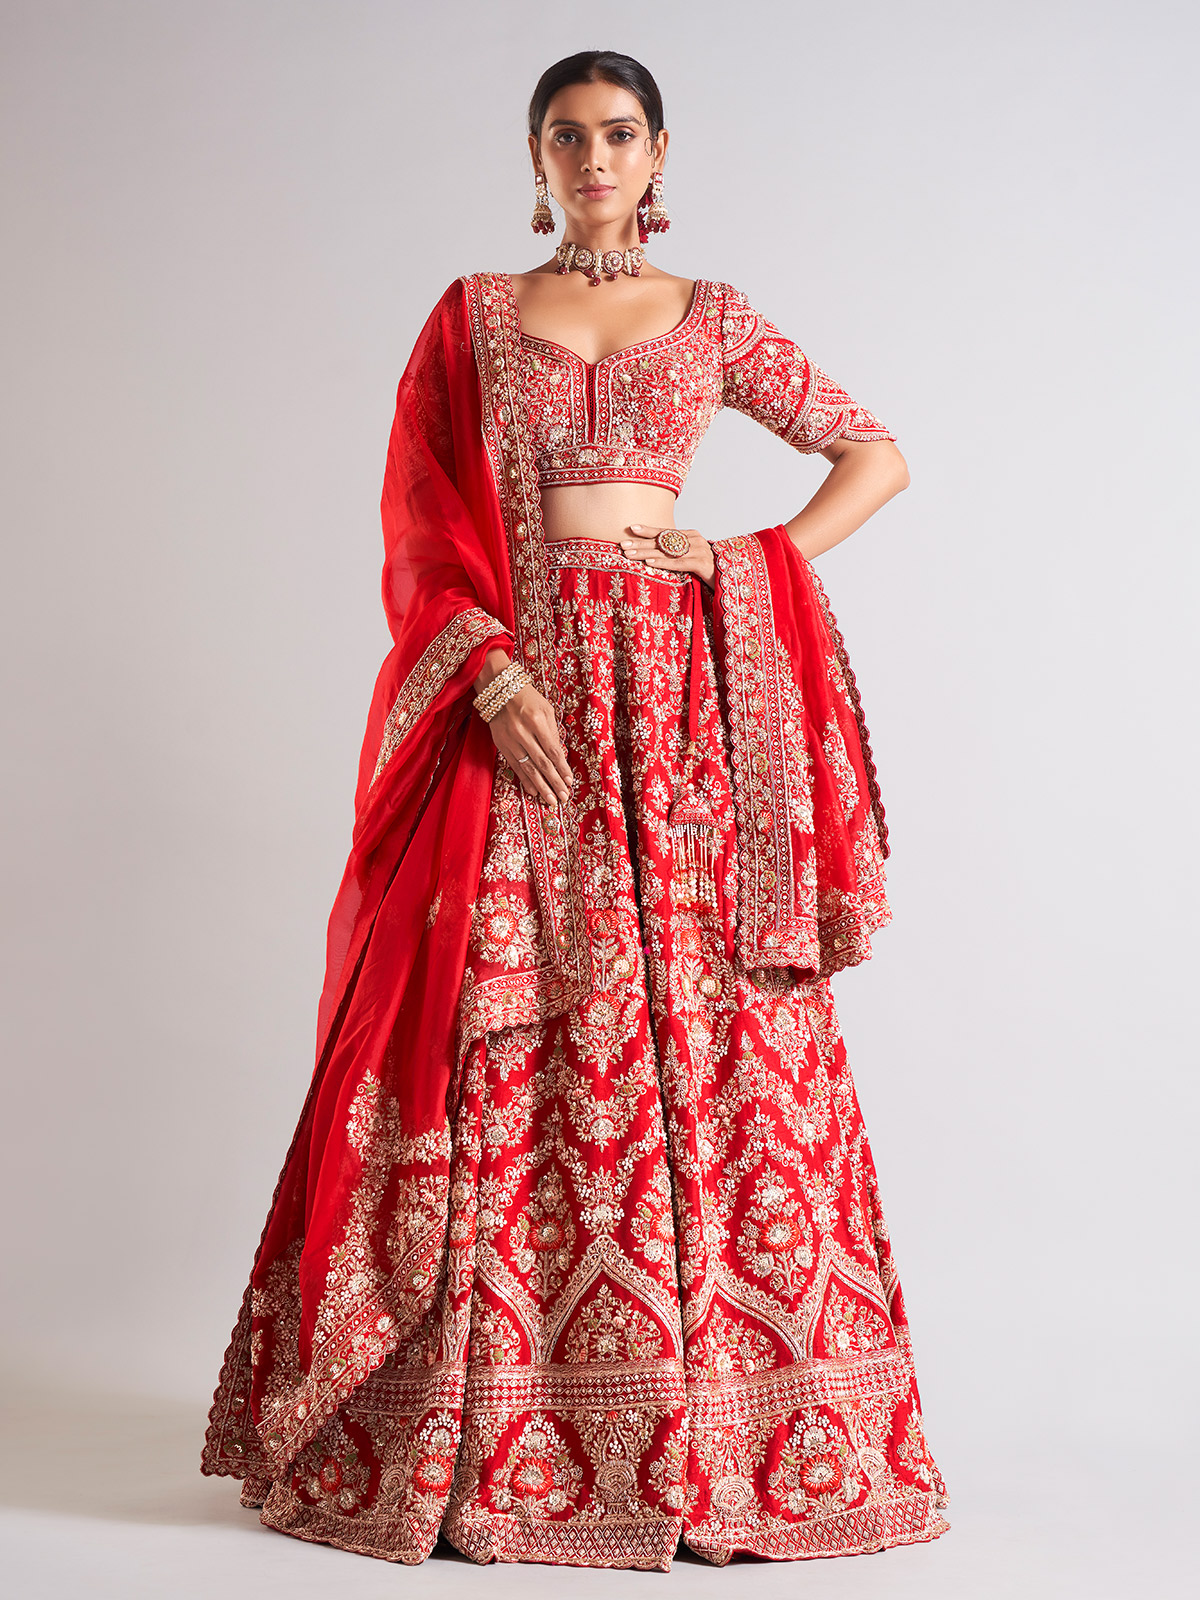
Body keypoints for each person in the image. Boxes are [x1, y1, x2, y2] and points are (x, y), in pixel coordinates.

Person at [201, 48, 950, 1572]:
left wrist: (739, 558)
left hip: (678, 714)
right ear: (535, 159)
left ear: (659, 153)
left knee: (709, 1023)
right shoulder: (476, 315)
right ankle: (491, 1437)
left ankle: (720, 1431)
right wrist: (485, 674)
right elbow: (420, 517)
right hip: (525, 696)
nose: (593, 157)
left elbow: (874, 455)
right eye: (566, 136)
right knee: (503, 1010)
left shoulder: (713, 317)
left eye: (618, 134)